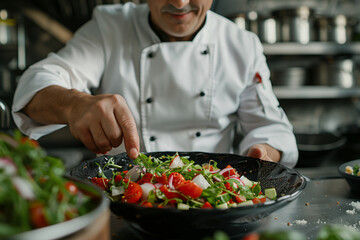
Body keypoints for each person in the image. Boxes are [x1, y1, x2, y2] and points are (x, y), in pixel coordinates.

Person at [12, 0, 298, 168]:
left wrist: (262, 153)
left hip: (212, 200)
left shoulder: (241, 44)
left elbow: (269, 127)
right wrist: (75, 104)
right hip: (125, 198)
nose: (180, 2)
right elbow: (36, 86)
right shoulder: (110, 27)